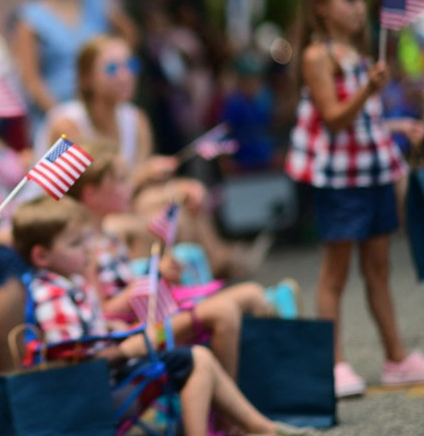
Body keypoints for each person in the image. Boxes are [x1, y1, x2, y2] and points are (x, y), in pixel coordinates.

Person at [285, 0, 424, 398]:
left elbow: (364, 121)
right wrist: (367, 90)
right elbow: (335, 119)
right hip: (340, 181)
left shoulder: (359, 54)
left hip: (374, 172)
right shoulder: (316, 56)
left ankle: (396, 357)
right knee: (334, 273)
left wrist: (396, 125)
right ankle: (335, 363)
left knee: (378, 267)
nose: (359, 8)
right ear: (320, 5)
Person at [11, 197, 311, 436]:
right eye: (76, 244)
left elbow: (87, 337)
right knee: (194, 359)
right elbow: (70, 365)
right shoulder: (52, 295)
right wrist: (126, 347)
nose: (87, 250)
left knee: (194, 360)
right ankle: (259, 428)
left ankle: (261, 428)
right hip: (93, 395)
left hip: (107, 378)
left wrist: (112, 328)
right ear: (42, 256)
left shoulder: (70, 284)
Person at [43, 35, 270, 279]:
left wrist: (177, 186)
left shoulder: (135, 120)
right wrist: (144, 174)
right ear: (86, 79)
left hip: (122, 201)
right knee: (175, 212)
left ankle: (208, 273)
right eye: (111, 68)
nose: (125, 75)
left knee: (183, 199)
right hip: (83, 212)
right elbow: (78, 195)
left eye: (130, 66)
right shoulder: (68, 125)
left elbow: (134, 189)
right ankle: (216, 265)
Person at [67, 143, 294, 380]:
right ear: (91, 194)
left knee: (252, 295)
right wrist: (145, 283)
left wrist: (156, 273)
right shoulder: (87, 249)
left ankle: (264, 387)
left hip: (150, 320)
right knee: (227, 309)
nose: (129, 188)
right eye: (121, 181)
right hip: (136, 333)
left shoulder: (110, 235)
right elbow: (101, 312)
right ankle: (230, 403)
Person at [12, 0, 139, 134]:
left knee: (114, 159)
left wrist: (115, 64)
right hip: (60, 111)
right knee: (72, 162)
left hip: (103, 106)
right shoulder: (30, 15)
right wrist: (60, 115)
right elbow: (31, 78)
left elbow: (130, 34)